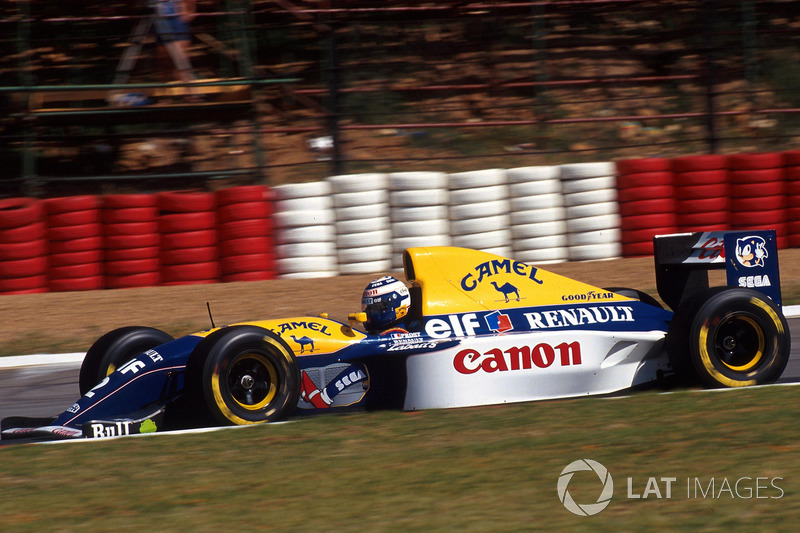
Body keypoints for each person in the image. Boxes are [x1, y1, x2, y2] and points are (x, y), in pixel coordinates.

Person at [151, 0, 198, 87]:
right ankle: (167, 93)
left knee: (182, 57)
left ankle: (189, 90)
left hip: (177, 19)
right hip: (162, 18)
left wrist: (190, 10)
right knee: (164, 61)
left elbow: (190, 7)